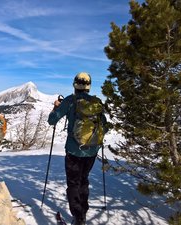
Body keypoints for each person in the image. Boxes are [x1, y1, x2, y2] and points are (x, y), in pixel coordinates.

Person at [48, 72, 107, 225]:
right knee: (83, 180)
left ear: (74, 85)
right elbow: (105, 126)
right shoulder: (96, 103)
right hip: (91, 151)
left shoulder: (70, 101)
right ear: (89, 86)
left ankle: (78, 217)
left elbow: (52, 120)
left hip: (74, 150)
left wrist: (56, 108)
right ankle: (83, 212)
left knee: (73, 183)